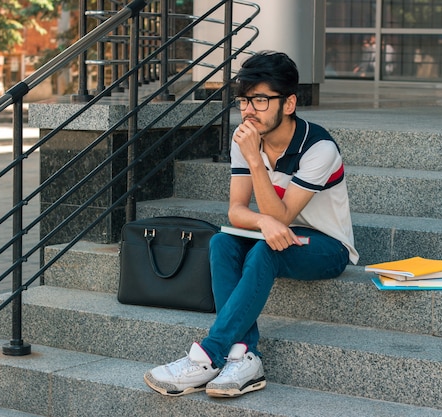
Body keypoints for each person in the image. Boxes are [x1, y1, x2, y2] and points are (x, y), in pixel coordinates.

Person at [144, 51, 359, 398]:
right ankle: (245, 356)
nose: (248, 110)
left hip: (326, 246)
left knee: (264, 252)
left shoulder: (319, 148)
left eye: (260, 100)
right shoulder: (244, 139)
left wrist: (256, 162)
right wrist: (261, 218)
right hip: (271, 232)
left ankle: (208, 356)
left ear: (288, 103)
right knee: (222, 243)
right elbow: (237, 212)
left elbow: (283, 217)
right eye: (244, 100)